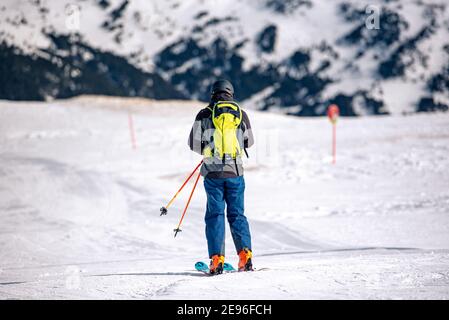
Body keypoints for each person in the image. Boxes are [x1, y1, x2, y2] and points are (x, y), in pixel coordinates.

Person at [188, 79, 255, 274]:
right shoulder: (241, 114)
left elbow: (192, 143)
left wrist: (209, 150)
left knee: (215, 215)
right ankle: (245, 257)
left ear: (212, 94)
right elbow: (249, 142)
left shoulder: (204, 114)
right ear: (230, 94)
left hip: (213, 174)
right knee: (237, 214)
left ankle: (217, 260)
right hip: (235, 173)